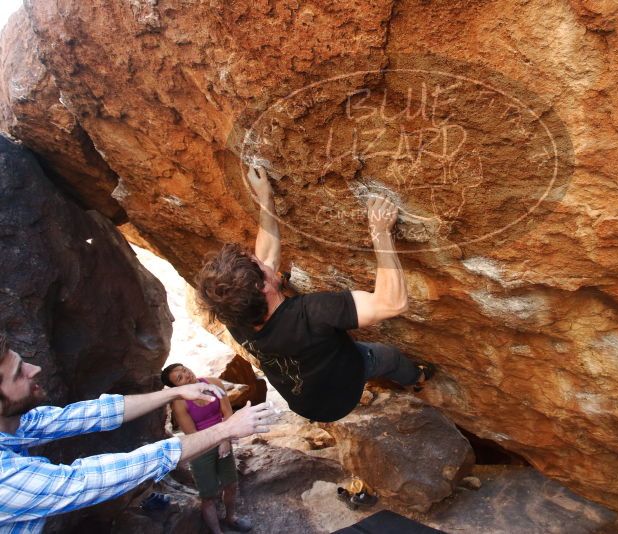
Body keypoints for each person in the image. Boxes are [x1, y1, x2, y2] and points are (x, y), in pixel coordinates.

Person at [194, 166, 434, 423]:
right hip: (341, 395)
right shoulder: (312, 313)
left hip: (303, 400)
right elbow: (391, 303)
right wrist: (380, 233)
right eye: (260, 266)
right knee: (387, 356)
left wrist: (265, 199)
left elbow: (266, 258)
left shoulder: (231, 312)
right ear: (263, 288)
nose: (263, 261)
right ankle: (417, 379)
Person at [0, 333, 272, 533]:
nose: (34, 369)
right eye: (18, 374)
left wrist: (175, 392)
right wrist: (226, 429)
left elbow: (96, 413)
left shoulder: (17, 423)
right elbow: (86, 481)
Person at [161, 363, 251, 533]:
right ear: (176, 387)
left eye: (185, 370)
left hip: (224, 438)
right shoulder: (180, 403)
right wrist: (219, 440)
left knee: (231, 484)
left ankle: (230, 517)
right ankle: (217, 532)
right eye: (180, 378)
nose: (187, 375)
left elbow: (227, 413)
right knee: (208, 496)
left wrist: (225, 440)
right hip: (200, 448)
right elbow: (193, 435)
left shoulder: (214, 384)